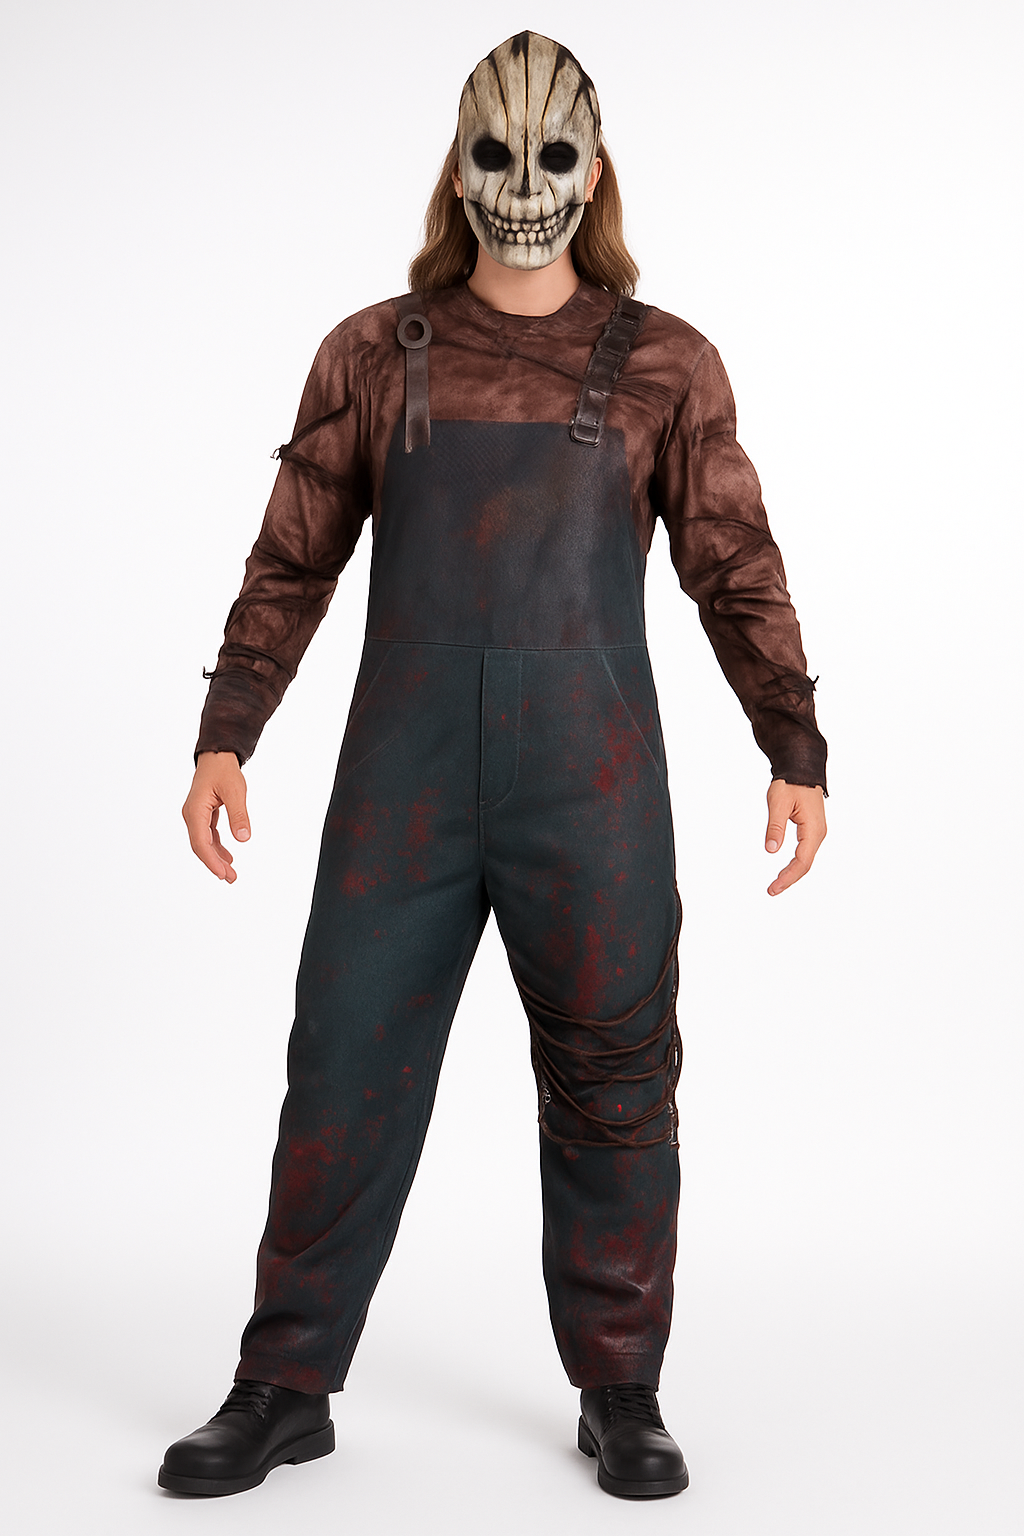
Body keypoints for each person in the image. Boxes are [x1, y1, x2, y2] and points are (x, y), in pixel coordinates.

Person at [162, 30, 827, 1502]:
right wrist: (228, 727)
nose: (524, 185)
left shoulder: (667, 363)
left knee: (616, 1079)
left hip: (592, 788)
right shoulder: (369, 352)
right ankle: (284, 1384)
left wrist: (791, 740)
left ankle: (623, 1387)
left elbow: (732, 560)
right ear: (458, 168)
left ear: (593, 173)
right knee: (343, 1065)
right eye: (497, 153)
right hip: (399, 784)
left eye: (553, 154)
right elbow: (293, 557)